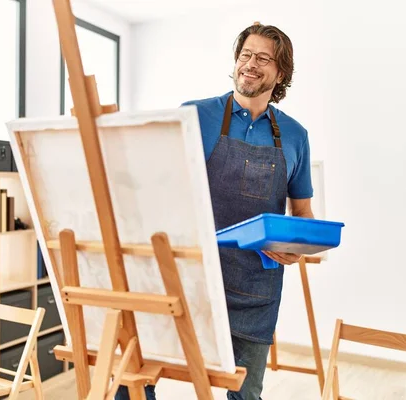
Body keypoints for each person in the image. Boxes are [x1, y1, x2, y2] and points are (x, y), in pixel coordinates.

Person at [115, 22, 314, 400]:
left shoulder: (294, 136)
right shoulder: (194, 114)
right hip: (188, 274)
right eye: (246, 55)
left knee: (245, 393)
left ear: (281, 72)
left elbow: (303, 213)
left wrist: (296, 248)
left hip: (255, 284)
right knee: (135, 379)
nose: (251, 65)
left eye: (264, 59)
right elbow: (157, 189)